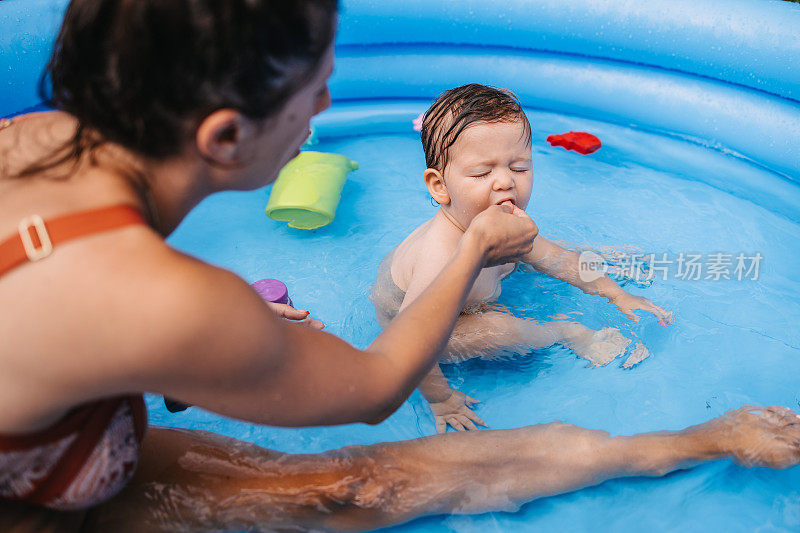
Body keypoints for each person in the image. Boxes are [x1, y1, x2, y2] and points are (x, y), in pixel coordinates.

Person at [0, 2, 797, 532]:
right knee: (356, 487)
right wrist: (478, 246)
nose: (324, 113)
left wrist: (157, 347)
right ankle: (691, 443)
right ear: (224, 138)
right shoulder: (168, 300)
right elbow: (377, 389)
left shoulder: (24, 144)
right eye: (314, 97)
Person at [371, 84, 672, 433]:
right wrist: (441, 399)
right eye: (483, 173)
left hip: (471, 297)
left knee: (544, 249)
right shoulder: (439, 255)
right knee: (499, 331)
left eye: (519, 167)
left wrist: (616, 293)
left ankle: (604, 260)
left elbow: (558, 259)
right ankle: (563, 331)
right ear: (440, 187)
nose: (505, 182)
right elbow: (414, 342)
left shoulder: (506, 223)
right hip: (423, 322)